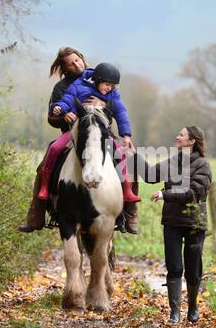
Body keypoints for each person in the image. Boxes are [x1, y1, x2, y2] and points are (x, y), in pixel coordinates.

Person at [18, 49, 139, 233]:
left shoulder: (104, 77)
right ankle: (37, 212)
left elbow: (120, 110)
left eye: (78, 60)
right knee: (52, 151)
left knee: (128, 156)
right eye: (71, 63)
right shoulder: (63, 87)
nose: (77, 64)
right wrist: (62, 114)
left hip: (102, 133)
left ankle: (130, 210)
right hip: (74, 133)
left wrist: (106, 108)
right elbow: (54, 115)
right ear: (64, 67)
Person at [134, 126, 212, 323]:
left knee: (193, 268)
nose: (177, 137)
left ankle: (193, 306)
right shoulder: (172, 161)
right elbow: (150, 175)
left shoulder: (202, 165)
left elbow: (194, 193)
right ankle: (174, 311)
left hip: (195, 223)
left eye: (182, 135)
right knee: (174, 266)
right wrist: (133, 154)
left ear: (192, 141)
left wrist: (164, 194)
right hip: (172, 222)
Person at [38, 62, 141, 204]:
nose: (109, 88)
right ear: (97, 80)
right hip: (78, 130)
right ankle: (44, 186)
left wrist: (126, 135)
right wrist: (58, 108)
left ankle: (127, 190)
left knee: (123, 153)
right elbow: (67, 100)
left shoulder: (113, 94)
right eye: (107, 85)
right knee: (55, 148)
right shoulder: (78, 85)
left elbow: (121, 113)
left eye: (112, 86)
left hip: (101, 132)